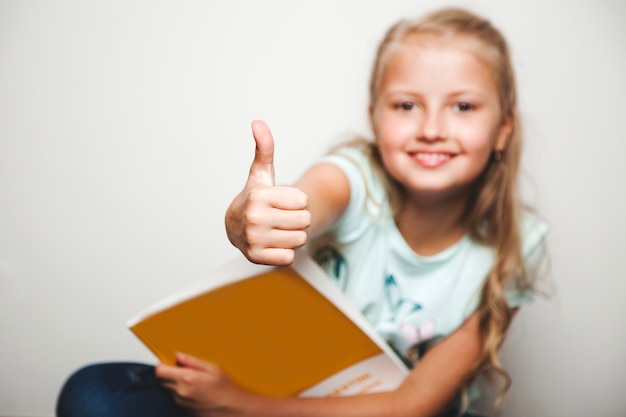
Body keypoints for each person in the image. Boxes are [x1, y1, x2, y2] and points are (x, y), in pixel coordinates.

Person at [56, 7, 548, 417]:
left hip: (368, 412)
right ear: (374, 117)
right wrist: (249, 219)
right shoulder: (356, 177)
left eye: (462, 107)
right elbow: (309, 199)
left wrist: (242, 404)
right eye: (405, 106)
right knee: (95, 393)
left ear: (503, 129)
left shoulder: (515, 244)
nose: (432, 128)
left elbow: (414, 402)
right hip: (280, 388)